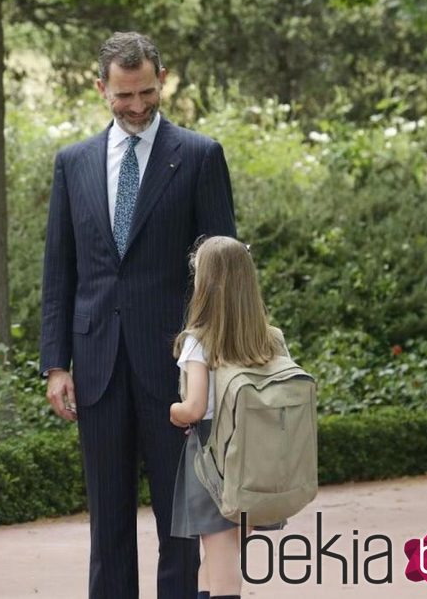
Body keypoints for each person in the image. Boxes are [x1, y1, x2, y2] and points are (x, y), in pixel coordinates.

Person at [40, 31, 237, 599]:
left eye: (147, 92)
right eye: (124, 95)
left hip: (179, 367)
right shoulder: (72, 163)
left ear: (163, 78)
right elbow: (59, 272)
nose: (137, 106)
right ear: (100, 86)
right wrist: (56, 363)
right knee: (107, 520)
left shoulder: (199, 156)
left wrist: (213, 358)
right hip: (97, 363)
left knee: (182, 519)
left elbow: (222, 272)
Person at [169, 236, 288, 599]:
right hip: (256, 454)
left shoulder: (199, 340)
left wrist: (173, 411)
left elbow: (193, 406)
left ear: (205, 284)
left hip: (212, 453)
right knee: (221, 557)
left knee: (221, 571)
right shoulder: (270, 339)